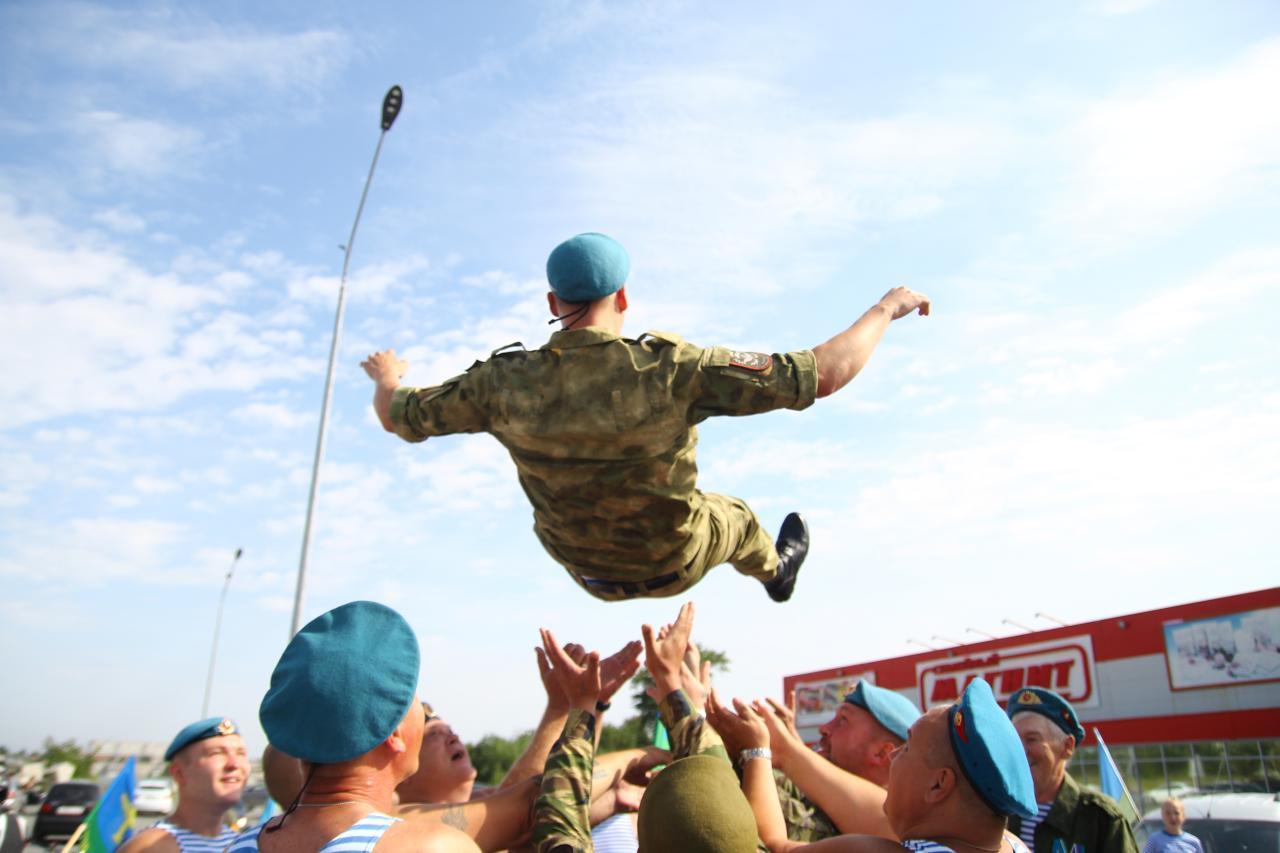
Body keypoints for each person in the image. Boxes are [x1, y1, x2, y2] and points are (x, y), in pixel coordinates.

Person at [363, 232, 930, 603]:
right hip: (673, 562)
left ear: (552, 304)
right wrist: (886, 308)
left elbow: (397, 415)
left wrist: (388, 373)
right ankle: (775, 573)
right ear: (624, 297)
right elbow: (822, 373)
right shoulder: (672, 370)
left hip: (589, 575)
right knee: (732, 516)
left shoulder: (501, 384)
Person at [226, 599, 602, 853]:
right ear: (392, 732)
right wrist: (585, 707)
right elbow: (530, 805)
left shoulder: (238, 846)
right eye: (416, 704)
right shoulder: (432, 848)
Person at [710, 678, 1038, 853]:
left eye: (907, 748)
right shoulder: (1012, 845)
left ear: (939, 785)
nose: (896, 756)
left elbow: (777, 848)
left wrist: (757, 752)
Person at [752, 680, 920, 841]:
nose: (824, 728)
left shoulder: (896, 832)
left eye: (842, 721)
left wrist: (764, 751)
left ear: (882, 753)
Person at [1005, 688, 1138, 853]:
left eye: (1032, 739)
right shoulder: (1000, 811)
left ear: (1067, 746)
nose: (1021, 751)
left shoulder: (1101, 819)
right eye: (1015, 741)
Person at [117, 717, 249, 853]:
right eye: (217, 753)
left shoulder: (244, 843)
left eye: (241, 753)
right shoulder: (151, 847)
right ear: (179, 772)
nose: (234, 764)